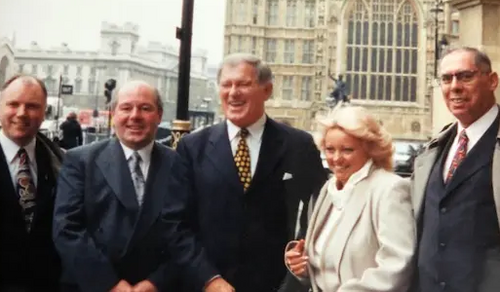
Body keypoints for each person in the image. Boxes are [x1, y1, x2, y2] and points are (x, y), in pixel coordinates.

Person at [176, 53, 327, 292]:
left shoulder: (299, 145)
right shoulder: (192, 147)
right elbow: (178, 224)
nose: (233, 92)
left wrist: (299, 266)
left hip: (278, 285)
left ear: (267, 91)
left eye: (244, 84)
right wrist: (208, 278)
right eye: (226, 84)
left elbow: (319, 213)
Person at [53, 81, 203, 292]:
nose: (135, 116)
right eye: (126, 108)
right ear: (113, 113)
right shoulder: (80, 161)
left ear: (159, 115)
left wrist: (157, 282)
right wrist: (109, 284)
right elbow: (67, 229)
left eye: (145, 108)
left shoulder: (179, 164)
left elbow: (189, 230)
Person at [285, 105, 415, 292]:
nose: (336, 159)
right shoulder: (328, 190)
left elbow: (396, 267)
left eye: (347, 150)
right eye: (330, 149)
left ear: (370, 149)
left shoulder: (389, 189)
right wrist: (303, 266)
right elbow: (324, 269)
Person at [412, 47, 500, 292]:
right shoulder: (433, 151)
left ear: (492, 81)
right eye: (446, 79)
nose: (455, 86)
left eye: (465, 76)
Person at [0, 75, 63, 291]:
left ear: (44, 112)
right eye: (13, 104)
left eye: (32, 106)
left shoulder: (63, 163)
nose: (21, 113)